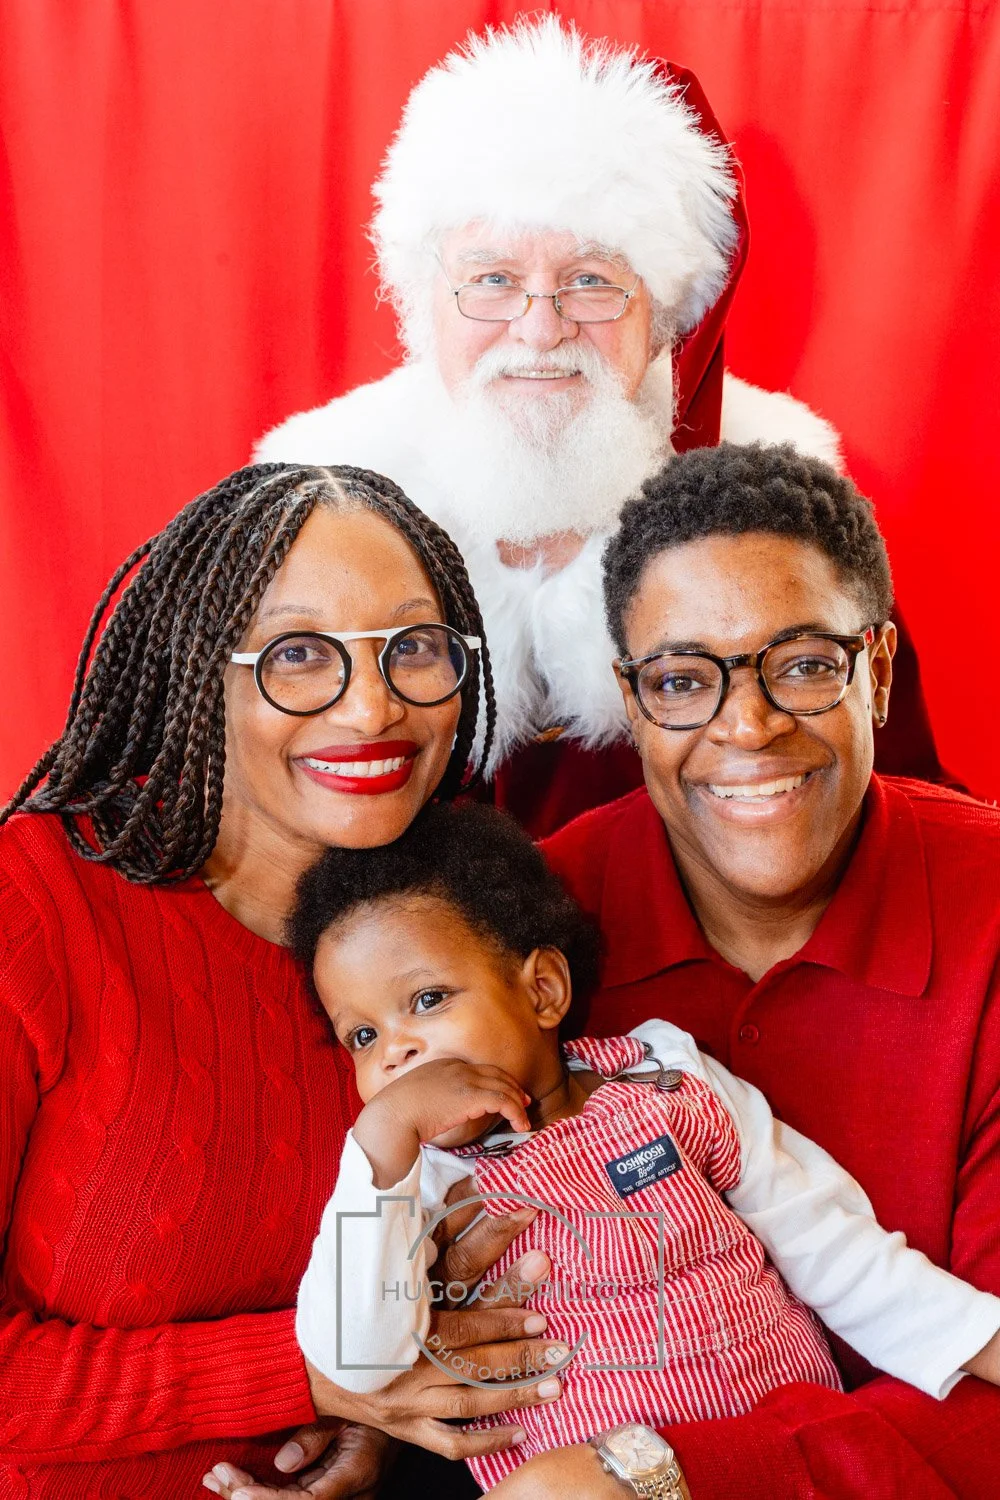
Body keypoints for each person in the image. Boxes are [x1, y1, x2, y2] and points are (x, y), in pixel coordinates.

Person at [0, 462, 567, 1499]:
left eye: (414, 650)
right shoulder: (34, 905)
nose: (371, 705)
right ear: (197, 675)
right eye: (300, 654)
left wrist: (383, 1436)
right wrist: (313, 1379)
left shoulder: (474, 924)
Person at [255, 17, 945, 835]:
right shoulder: (310, 514)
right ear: (418, 300)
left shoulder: (784, 527)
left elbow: (902, 819)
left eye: (590, 281)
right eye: (493, 279)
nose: (540, 329)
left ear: (662, 315)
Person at [525, 442, 1000, 1498]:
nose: (746, 726)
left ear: (873, 671)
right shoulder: (523, 927)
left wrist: (655, 1478)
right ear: (632, 702)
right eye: (684, 680)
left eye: (800, 663)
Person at [284, 800, 1000, 1498]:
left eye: (429, 1000)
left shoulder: (663, 1076)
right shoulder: (418, 1182)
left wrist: (980, 1341)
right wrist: (379, 1151)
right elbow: (360, 1356)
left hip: (785, 1458)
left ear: (542, 990)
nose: (397, 1051)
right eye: (363, 1037)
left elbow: (827, 1241)